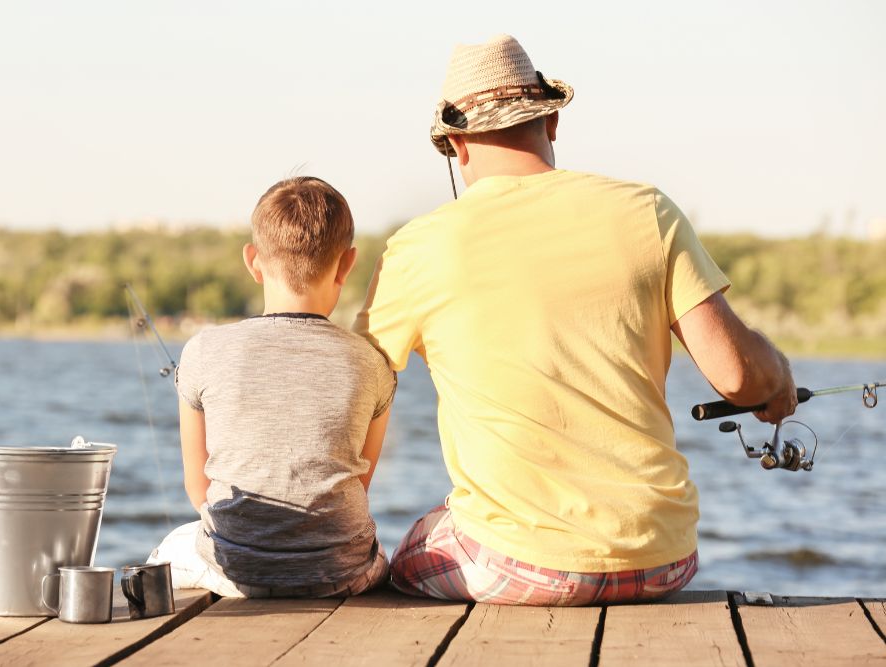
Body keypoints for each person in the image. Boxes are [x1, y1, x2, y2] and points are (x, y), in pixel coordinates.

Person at [354, 35, 797, 606]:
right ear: (552, 122)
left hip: (515, 565)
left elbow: (353, 394)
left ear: (457, 147)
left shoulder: (417, 248)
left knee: (402, 554)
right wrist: (779, 376)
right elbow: (741, 379)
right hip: (663, 561)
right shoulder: (649, 211)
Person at [149, 176, 396, 598]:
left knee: (167, 550)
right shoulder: (373, 363)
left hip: (234, 569)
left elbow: (198, 490)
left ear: (252, 260)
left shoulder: (203, 350)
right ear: (347, 263)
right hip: (342, 574)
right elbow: (359, 485)